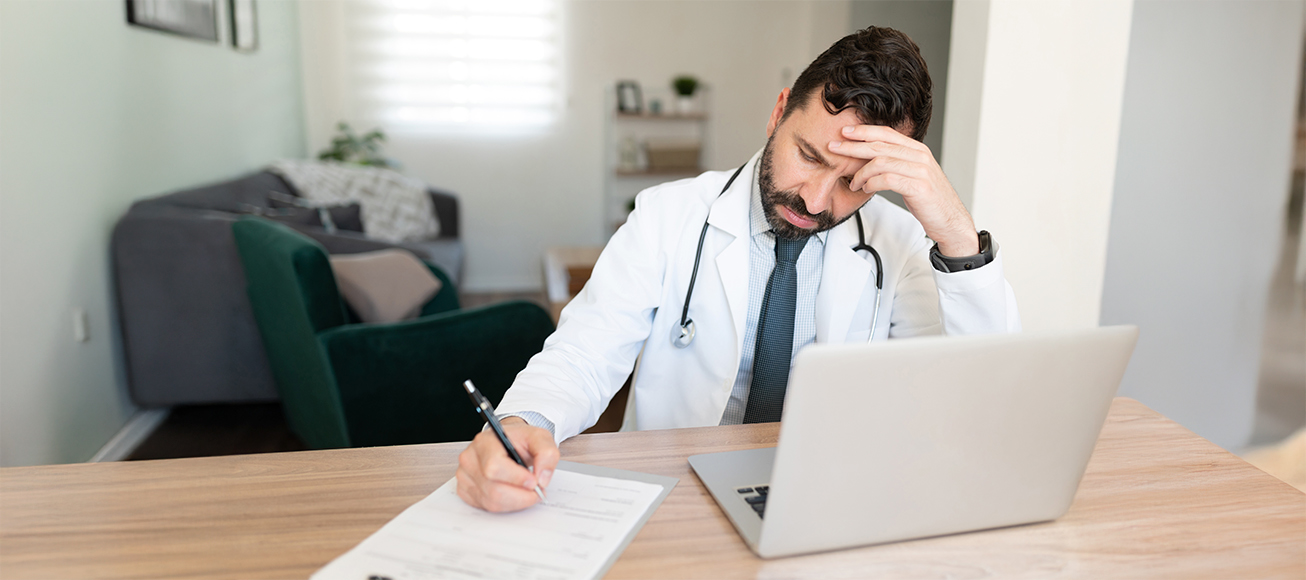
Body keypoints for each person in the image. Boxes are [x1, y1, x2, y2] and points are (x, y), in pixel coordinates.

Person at [457, 26, 1020, 512]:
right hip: (672, 496)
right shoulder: (668, 216)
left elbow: (975, 402)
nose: (817, 201)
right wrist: (526, 422)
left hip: (827, 499)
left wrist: (953, 231)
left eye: (853, 182)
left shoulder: (901, 247)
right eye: (810, 157)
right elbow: (583, 355)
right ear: (778, 113)